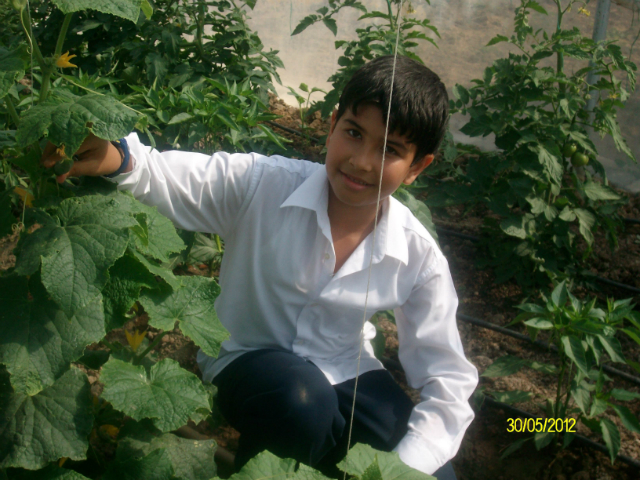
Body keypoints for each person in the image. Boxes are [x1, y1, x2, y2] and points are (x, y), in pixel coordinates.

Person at [43, 55, 478, 480]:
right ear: (330, 126)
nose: (362, 161)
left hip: (344, 368)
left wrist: (404, 470)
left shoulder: (417, 256)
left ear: (418, 166)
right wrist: (114, 155)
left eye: (390, 150)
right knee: (302, 403)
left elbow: (449, 381)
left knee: (431, 467)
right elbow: (161, 174)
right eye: (353, 132)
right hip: (246, 363)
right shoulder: (263, 185)